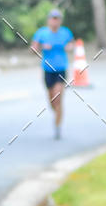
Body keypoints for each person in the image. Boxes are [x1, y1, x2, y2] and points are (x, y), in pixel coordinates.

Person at [31, 9, 75, 139]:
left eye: (57, 18)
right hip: (47, 70)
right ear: (49, 20)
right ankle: (56, 114)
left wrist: (69, 47)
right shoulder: (42, 33)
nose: (55, 21)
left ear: (60, 20)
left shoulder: (65, 32)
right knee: (52, 101)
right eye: (53, 18)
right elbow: (33, 48)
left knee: (58, 97)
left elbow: (72, 44)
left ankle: (57, 126)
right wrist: (42, 47)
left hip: (61, 69)